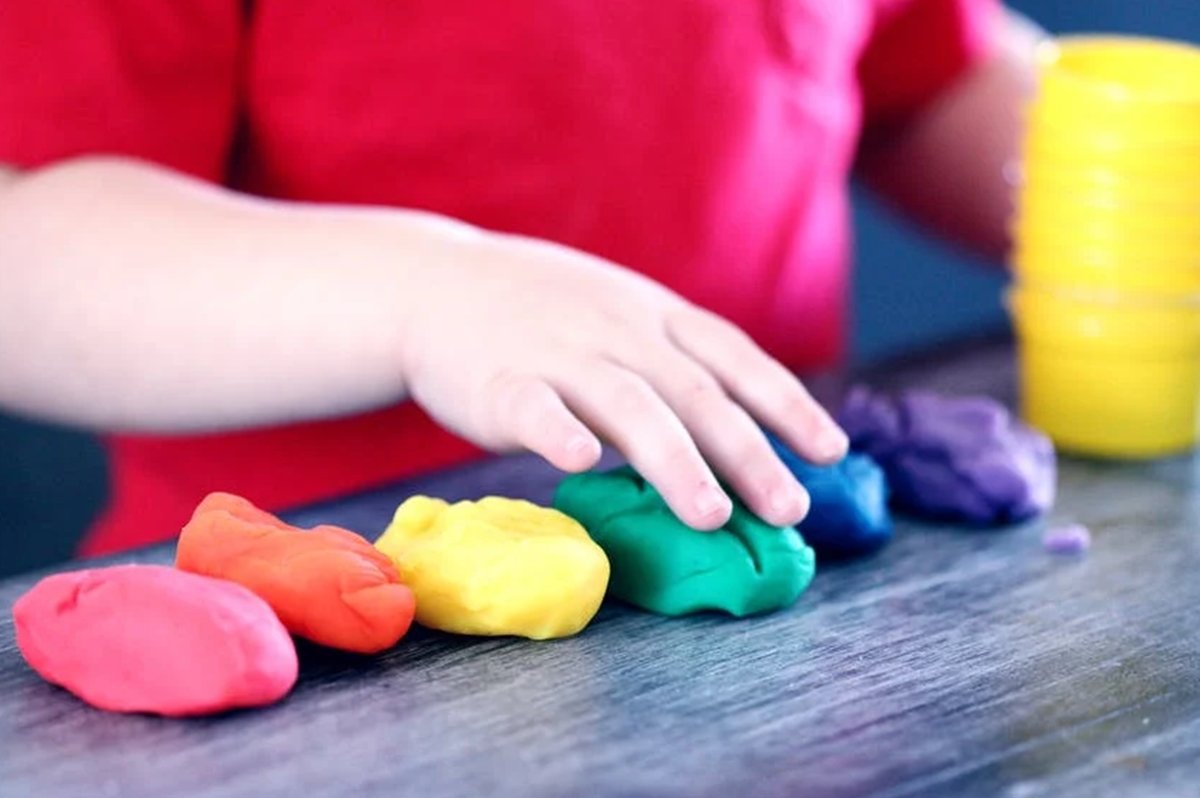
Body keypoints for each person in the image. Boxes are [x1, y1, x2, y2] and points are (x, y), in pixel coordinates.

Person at [0, 1, 1041, 556]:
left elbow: (924, 79)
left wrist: (1127, 181)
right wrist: (422, 300)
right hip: (320, 633)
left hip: (770, 566)